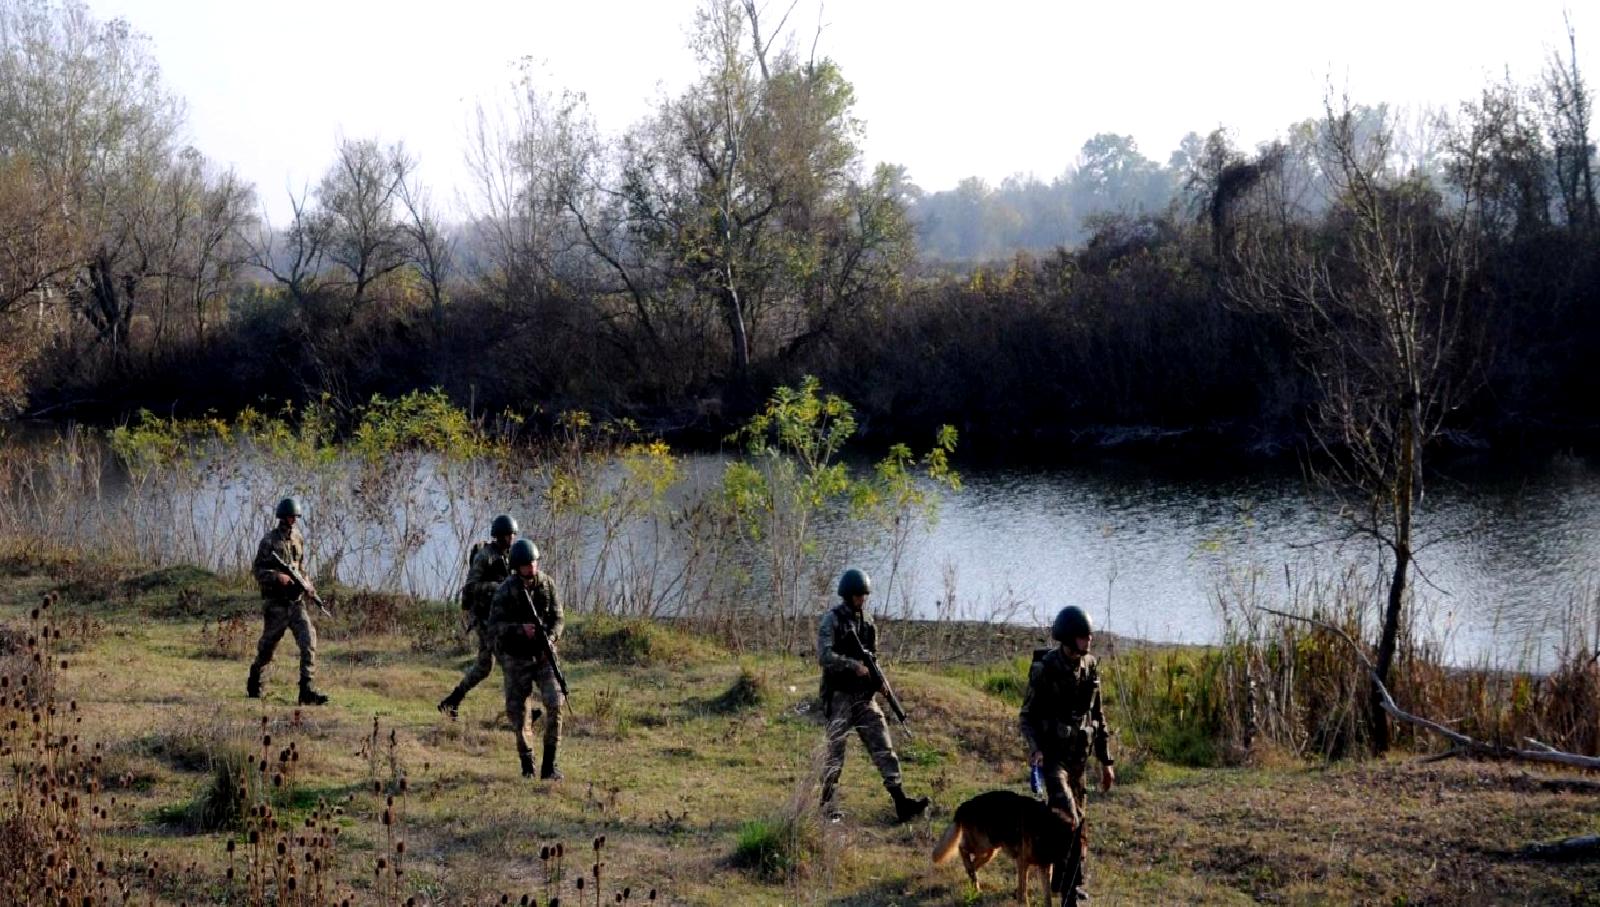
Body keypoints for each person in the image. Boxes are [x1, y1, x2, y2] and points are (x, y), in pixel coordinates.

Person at [816, 567, 931, 823]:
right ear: (848, 595)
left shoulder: (867, 623)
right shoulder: (832, 620)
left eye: (864, 595)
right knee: (836, 751)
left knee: (883, 745)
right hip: (839, 697)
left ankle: (901, 801)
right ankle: (827, 803)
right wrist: (851, 665)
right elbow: (824, 656)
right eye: (858, 595)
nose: (862, 599)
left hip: (864, 697)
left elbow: (873, 659)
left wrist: (880, 682)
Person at [1018, 605, 1116, 901]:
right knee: (1067, 819)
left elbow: (1098, 717)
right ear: (1068, 638)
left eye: (1089, 635)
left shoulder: (1090, 667)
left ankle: (1067, 878)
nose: (1089, 640)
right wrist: (1035, 750)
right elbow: (1026, 716)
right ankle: (1068, 894)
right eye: (1083, 636)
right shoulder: (1045, 669)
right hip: (1053, 761)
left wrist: (1106, 761)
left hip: (1079, 760)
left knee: (1080, 821)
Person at [486, 538, 565, 779]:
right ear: (516, 567)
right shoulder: (505, 591)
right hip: (516, 658)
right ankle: (527, 764)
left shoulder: (547, 584)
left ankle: (550, 767)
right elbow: (494, 627)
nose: (532, 568)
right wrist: (520, 630)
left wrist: (550, 638)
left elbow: (558, 618)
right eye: (527, 565)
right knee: (518, 714)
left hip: (544, 656)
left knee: (555, 703)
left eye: (534, 563)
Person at [247, 497, 328, 705]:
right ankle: (256, 678)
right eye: (291, 516)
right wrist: (277, 577)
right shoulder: (269, 541)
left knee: (309, 641)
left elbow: (301, 568)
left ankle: (306, 690)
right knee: (267, 649)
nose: (293, 520)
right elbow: (258, 570)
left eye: (296, 517)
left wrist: (308, 585)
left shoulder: (298, 539)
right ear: (283, 517)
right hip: (276, 604)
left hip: (296, 602)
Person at [438, 514, 519, 717]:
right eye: (508, 535)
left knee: (484, 667)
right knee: (508, 662)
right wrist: (497, 587)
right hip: (484, 618)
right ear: (498, 536)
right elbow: (471, 587)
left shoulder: (510, 556)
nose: (511, 539)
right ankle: (519, 711)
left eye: (513, 535)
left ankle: (452, 700)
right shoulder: (485, 557)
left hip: (499, 616)